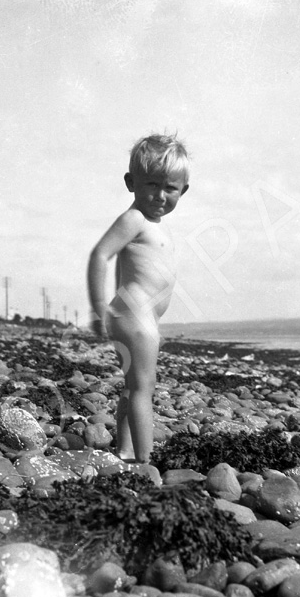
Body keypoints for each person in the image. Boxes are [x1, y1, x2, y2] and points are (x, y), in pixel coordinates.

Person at [87, 134, 189, 463]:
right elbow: (100, 255)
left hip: (141, 316)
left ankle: (125, 449)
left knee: (133, 386)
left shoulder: (156, 224)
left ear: (183, 190)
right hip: (135, 316)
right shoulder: (134, 219)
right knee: (144, 387)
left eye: (169, 188)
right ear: (131, 183)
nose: (160, 195)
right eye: (151, 185)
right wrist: (98, 307)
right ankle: (145, 462)